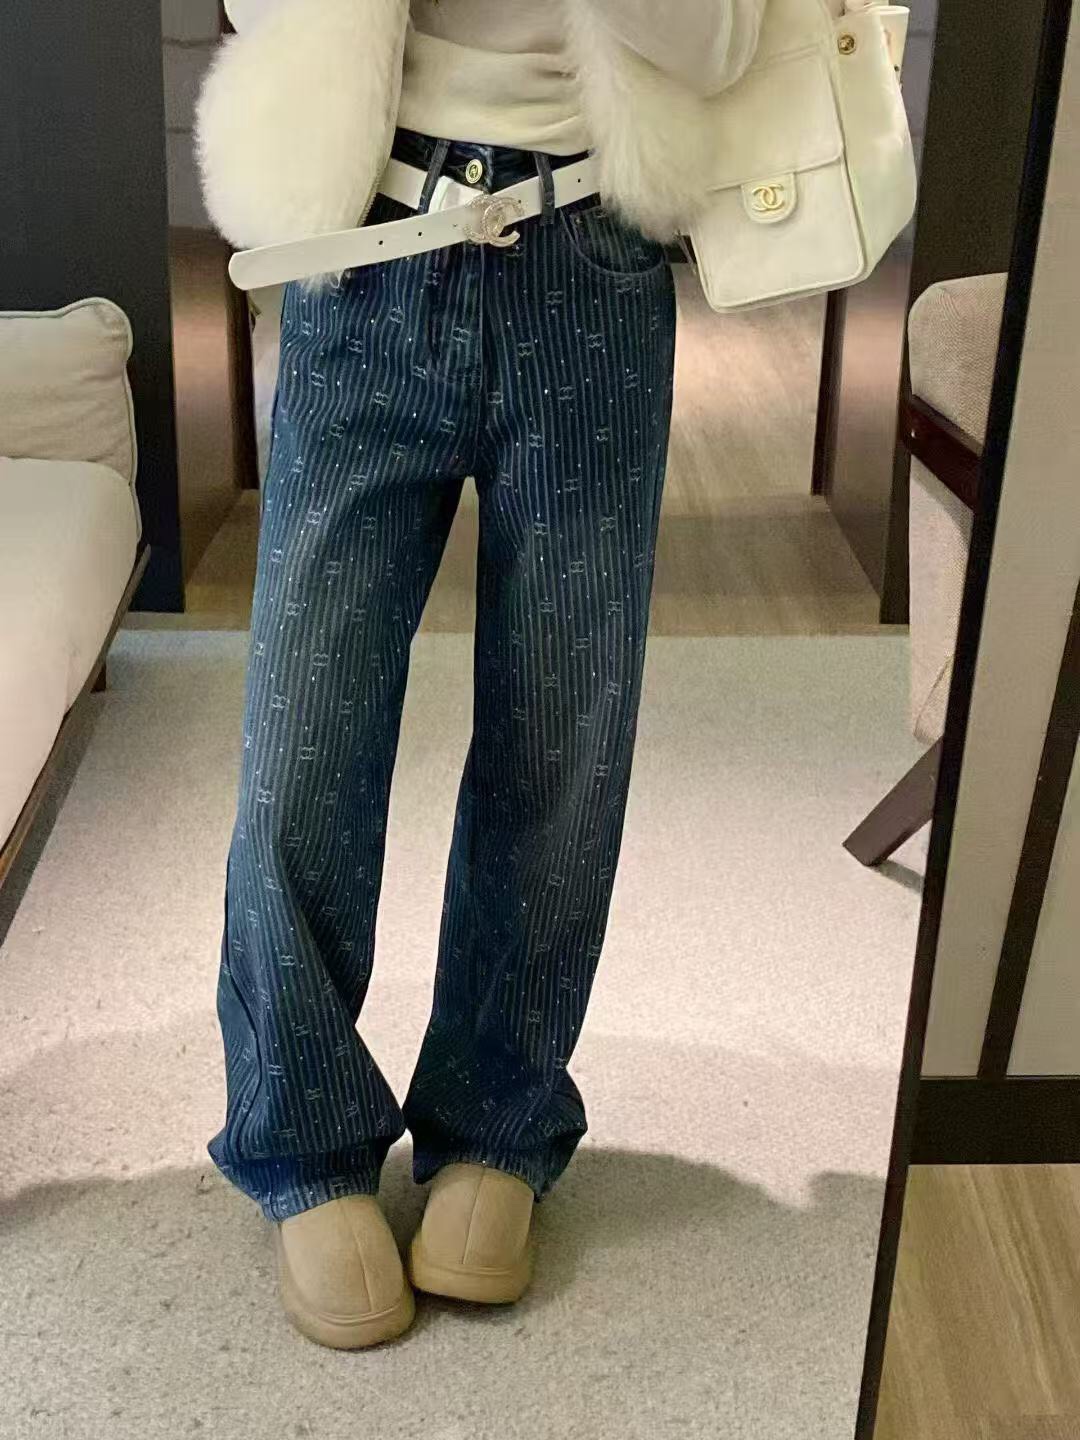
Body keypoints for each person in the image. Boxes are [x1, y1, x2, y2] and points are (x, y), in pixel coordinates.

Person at [198, 0, 765, 1349]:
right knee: (306, 722)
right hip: (369, 249)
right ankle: (301, 1130)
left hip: (593, 259)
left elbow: (723, 46)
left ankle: (499, 1120)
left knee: (563, 728)